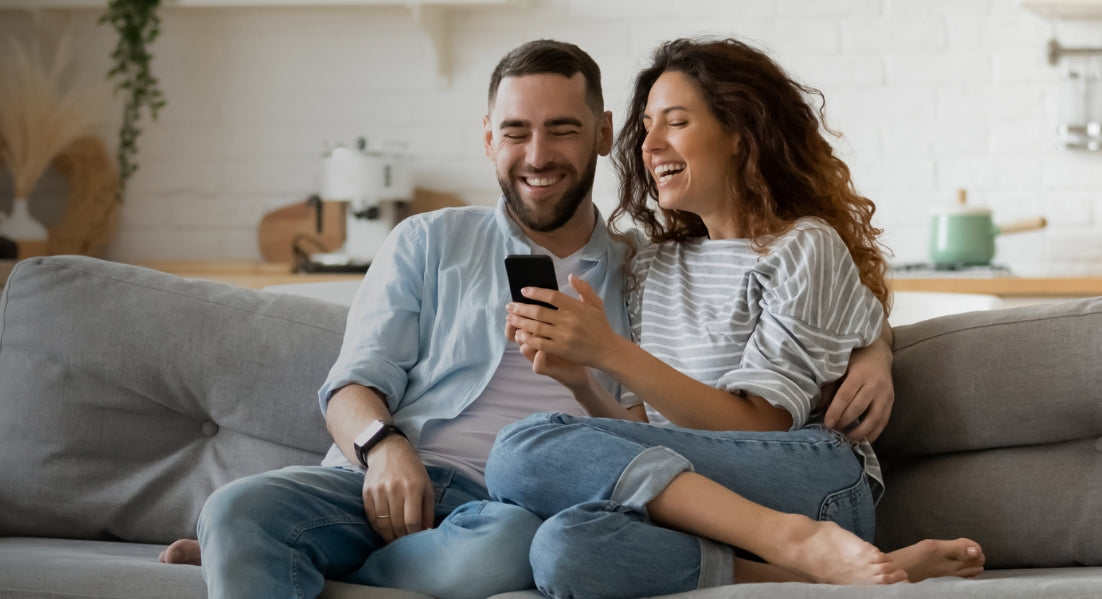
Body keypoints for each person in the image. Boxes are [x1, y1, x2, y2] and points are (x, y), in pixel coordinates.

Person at [161, 39, 897, 599]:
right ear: (489, 138)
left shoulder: (636, 265)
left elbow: (805, 307)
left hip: (507, 509)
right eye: (515, 131)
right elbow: (351, 386)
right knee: (234, 508)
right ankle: (275, 546)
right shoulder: (429, 241)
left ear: (603, 133)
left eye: (562, 130)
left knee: (512, 535)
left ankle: (305, 562)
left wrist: (875, 352)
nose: (536, 155)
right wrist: (383, 448)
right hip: (388, 476)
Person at [490, 37, 985, 599]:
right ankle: (814, 569)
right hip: (704, 495)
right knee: (563, 549)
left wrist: (610, 352)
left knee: (519, 448)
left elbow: (760, 426)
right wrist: (582, 381)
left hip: (809, 480)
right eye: (647, 125)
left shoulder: (802, 248)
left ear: (740, 134)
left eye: (675, 122)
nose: (649, 144)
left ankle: (798, 539)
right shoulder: (650, 265)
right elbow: (652, 442)